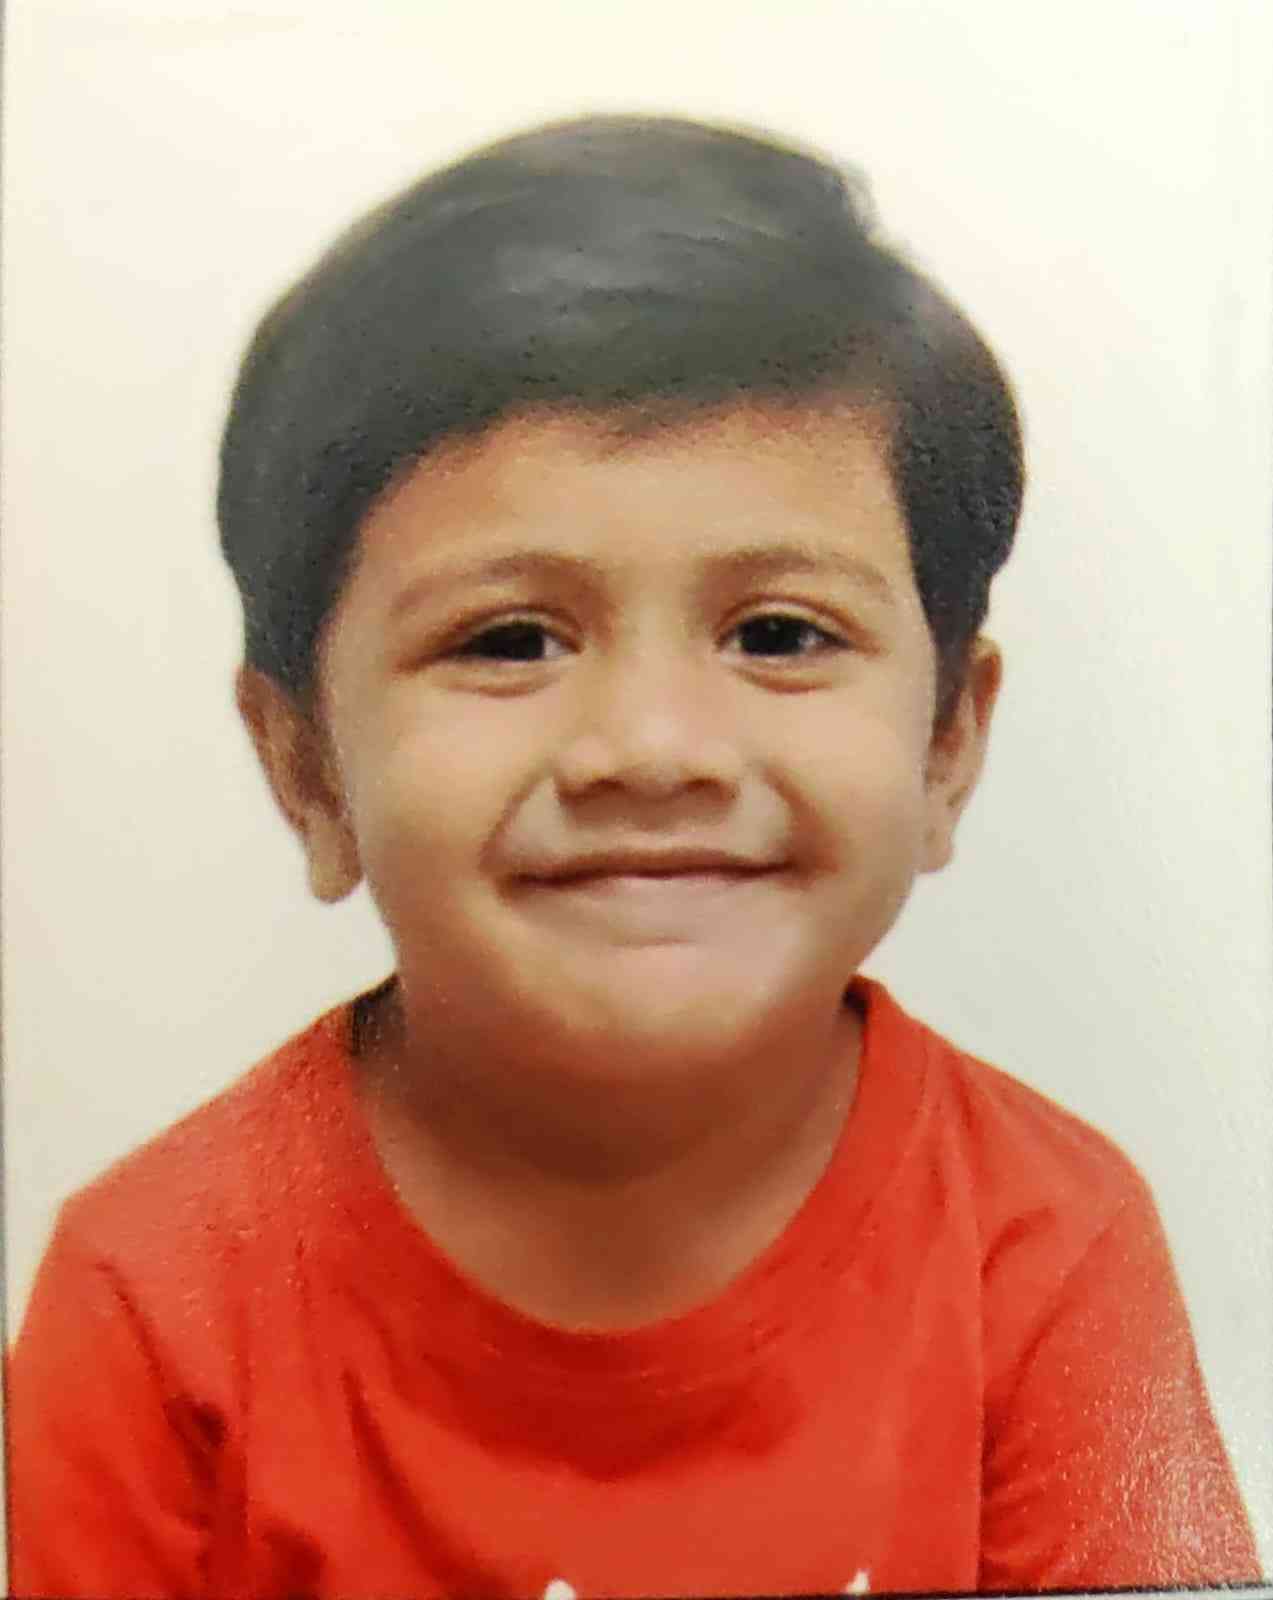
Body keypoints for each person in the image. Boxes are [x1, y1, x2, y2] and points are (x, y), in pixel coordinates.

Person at [6, 114, 1260, 1599]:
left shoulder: (1047, 1247)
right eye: (508, 640)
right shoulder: (153, 1292)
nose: (653, 747)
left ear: (944, 746)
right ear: (307, 769)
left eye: (778, 632)